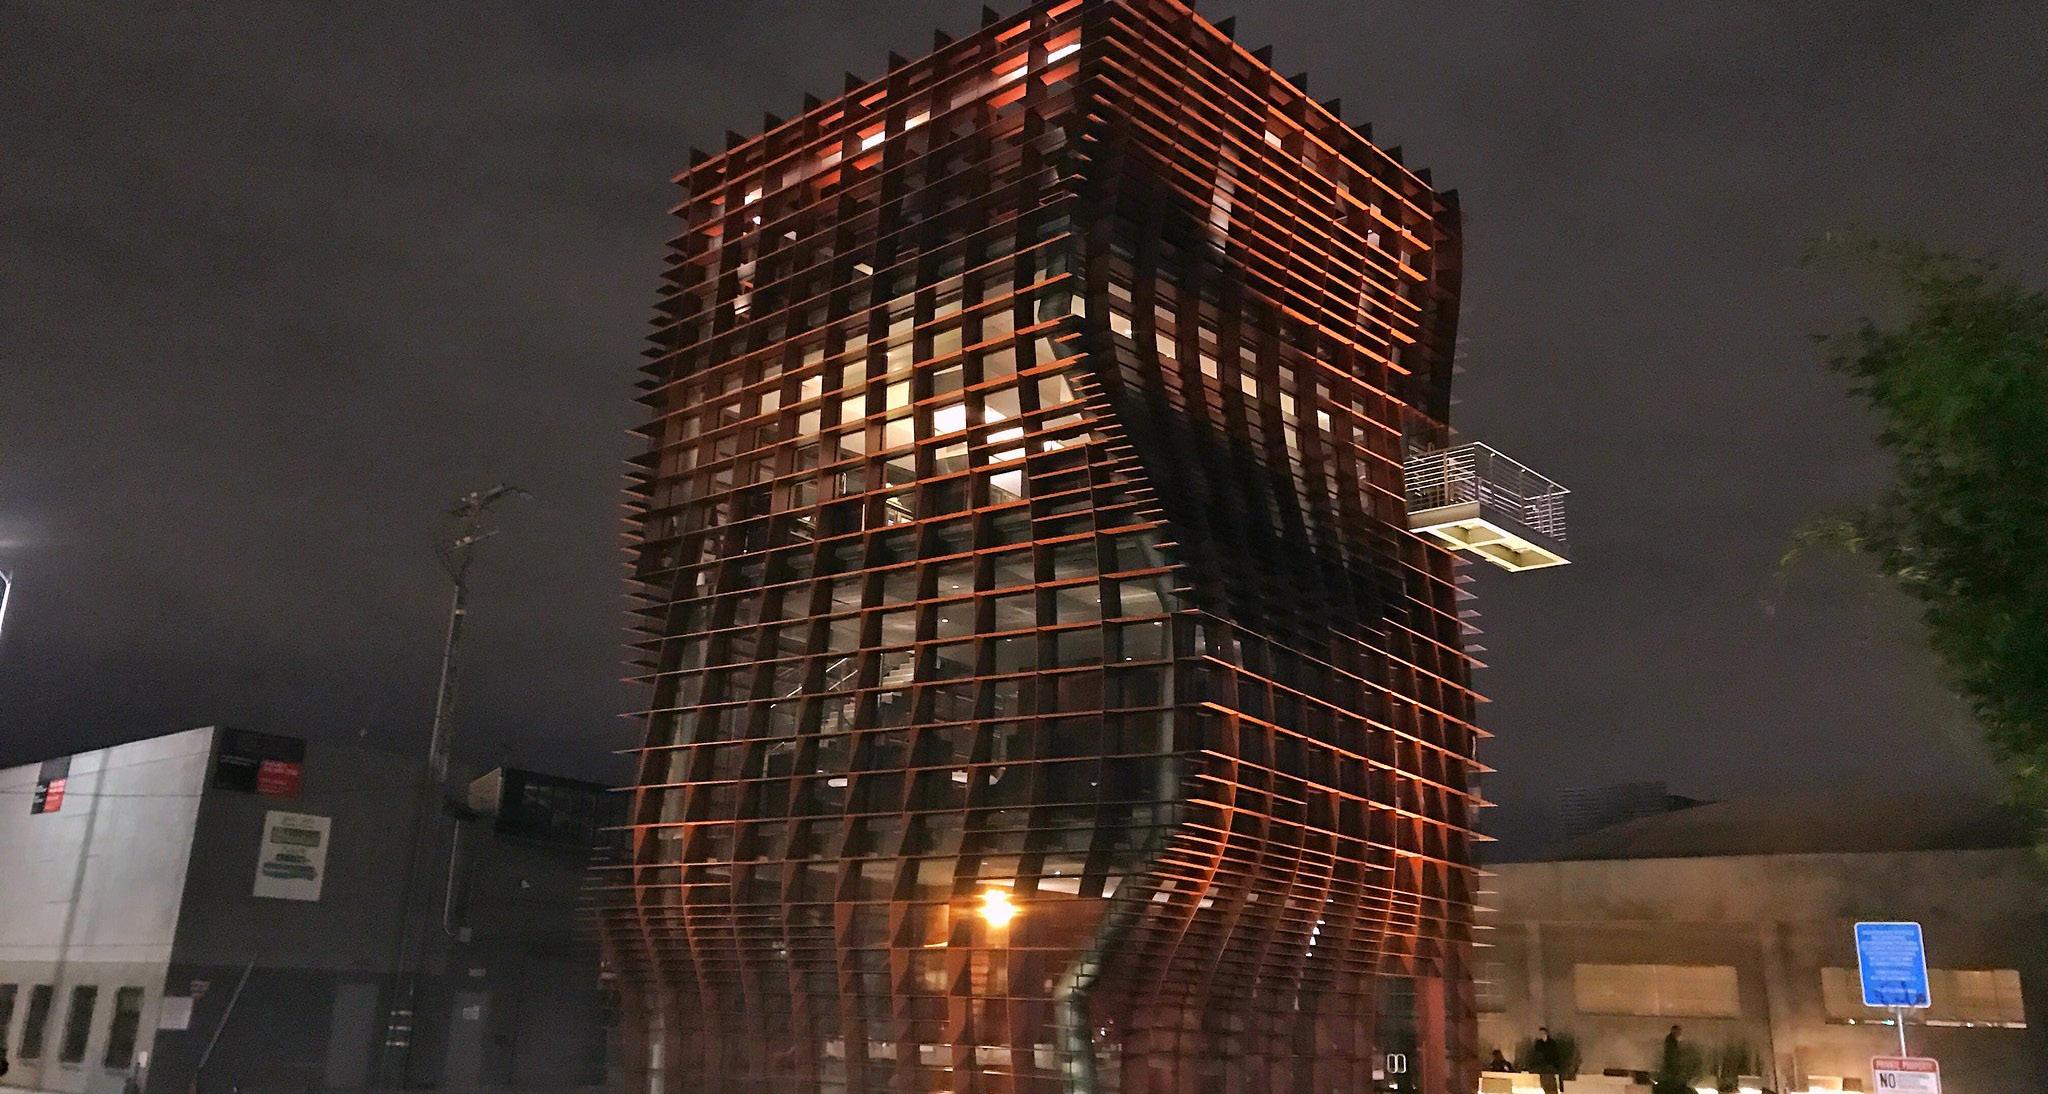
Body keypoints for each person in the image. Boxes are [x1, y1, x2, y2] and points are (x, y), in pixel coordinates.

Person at [1530, 1026, 1564, 1094]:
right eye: (1540, 1033)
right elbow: (1536, 1054)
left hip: (1550, 1066)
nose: (1541, 1035)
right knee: (1545, 1083)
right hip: (1542, 1067)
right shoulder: (1538, 1043)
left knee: (1551, 1082)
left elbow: (1554, 1054)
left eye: (1542, 1033)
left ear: (1546, 1033)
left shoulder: (1552, 1043)